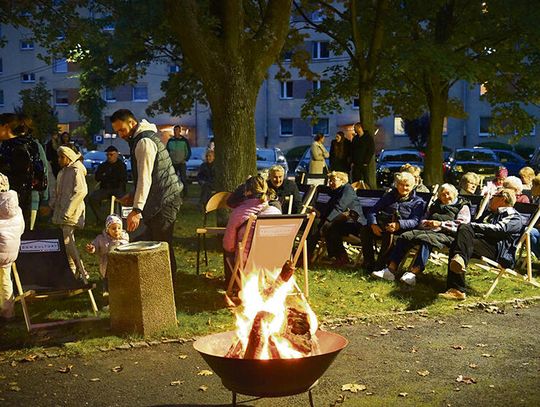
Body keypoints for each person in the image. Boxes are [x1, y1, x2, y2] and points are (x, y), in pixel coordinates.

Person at [111, 109, 182, 278]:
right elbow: (148, 176)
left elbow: (145, 178)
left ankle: (166, 284)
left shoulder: (144, 142)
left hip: (165, 199)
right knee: (156, 242)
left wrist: (136, 210)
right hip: (164, 196)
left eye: (122, 130)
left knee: (162, 243)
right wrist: (134, 195)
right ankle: (160, 280)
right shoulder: (143, 138)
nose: (120, 135)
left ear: (132, 123)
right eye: (117, 132)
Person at [372, 184, 470, 286]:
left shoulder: (462, 206)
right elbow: (422, 219)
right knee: (405, 236)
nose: (445, 197)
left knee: (426, 240)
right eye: (442, 195)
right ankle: (390, 270)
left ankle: (413, 273)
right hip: (429, 230)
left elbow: (462, 225)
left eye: (447, 194)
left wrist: (441, 224)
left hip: (448, 234)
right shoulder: (434, 205)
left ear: (454, 194)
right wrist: (427, 223)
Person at [439, 188, 522, 300]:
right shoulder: (490, 214)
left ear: (503, 199)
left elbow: (499, 229)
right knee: (460, 240)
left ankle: (457, 287)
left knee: (463, 234)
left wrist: (472, 226)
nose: (491, 199)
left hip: (497, 250)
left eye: (493, 197)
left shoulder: (514, 216)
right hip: (481, 243)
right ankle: (457, 280)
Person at [360, 172, 426, 272]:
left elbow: (415, 221)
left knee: (389, 235)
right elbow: (373, 211)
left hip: (402, 230)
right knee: (365, 229)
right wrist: (373, 224)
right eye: (401, 185)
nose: (404, 188)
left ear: (412, 186)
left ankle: (380, 266)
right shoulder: (389, 196)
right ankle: (369, 262)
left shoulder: (418, 202)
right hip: (384, 224)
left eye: (407, 185)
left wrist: (399, 225)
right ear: (397, 184)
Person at [222, 175, 281, 286]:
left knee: (227, 248)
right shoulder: (275, 212)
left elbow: (228, 245)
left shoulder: (239, 213)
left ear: (247, 192)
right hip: (272, 260)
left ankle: (233, 284)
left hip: (247, 262)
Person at [0, 113, 47, 226]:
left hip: (16, 202)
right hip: (18, 200)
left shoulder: (18, 148)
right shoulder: (23, 145)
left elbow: (20, 177)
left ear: (6, 127)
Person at [50, 145, 88, 279]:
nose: (59, 160)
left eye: (62, 157)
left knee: (68, 240)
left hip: (72, 211)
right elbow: (57, 190)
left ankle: (81, 269)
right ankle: (72, 270)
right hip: (62, 210)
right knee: (66, 241)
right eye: (58, 157)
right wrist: (53, 204)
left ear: (68, 157)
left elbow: (81, 191)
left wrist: (68, 211)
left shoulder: (76, 170)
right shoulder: (63, 172)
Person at [313, 171, 366, 266]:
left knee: (330, 227)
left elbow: (339, 207)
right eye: (329, 181)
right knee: (318, 224)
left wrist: (327, 220)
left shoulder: (347, 190)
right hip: (342, 221)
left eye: (333, 180)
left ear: (342, 181)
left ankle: (341, 257)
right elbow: (329, 208)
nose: (330, 183)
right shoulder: (336, 191)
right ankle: (336, 256)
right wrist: (320, 215)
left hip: (355, 223)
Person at [0, 173, 25, 320]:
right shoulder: (17, 209)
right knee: (5, 280)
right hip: (10, 251)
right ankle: (8, 311)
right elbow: (21, 228)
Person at [85, 214, 129, 295]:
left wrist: (119, 241)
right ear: (107, 229)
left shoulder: (124, 238)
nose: (116, 231)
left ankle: (122, 296)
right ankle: (108, 298)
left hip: (120, 266)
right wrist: (92, 248)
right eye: (113, 228)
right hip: (107, 266)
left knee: (121, 282)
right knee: (108, 283)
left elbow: (127, 248)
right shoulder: (101, 239)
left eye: (119, 228)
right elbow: (95, 245)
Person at [88, 145, 128, 224]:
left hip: (117, 189)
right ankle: (102, 218)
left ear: (116, 155)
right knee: (93, 198)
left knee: (123, 200)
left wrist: (106, 176)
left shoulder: (121, 165)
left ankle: (120, 220)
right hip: (105, 189)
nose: (109, 157)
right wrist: (107, 177)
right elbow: (97, 177)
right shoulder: (103, 165)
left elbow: (122, 178)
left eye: (111, 155)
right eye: (107, 155)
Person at [166, 125, 191, 198]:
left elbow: (188, 151)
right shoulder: (170, 141)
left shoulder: (184, 141)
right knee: (173, 180)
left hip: (181, 163)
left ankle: (185, 194)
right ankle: (174, 194)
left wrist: (185, 159)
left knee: (183, 179)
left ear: (180, 131)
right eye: (174, 130)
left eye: (177, 130)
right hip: (173, 163)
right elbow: (167, 151)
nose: (175, 132)